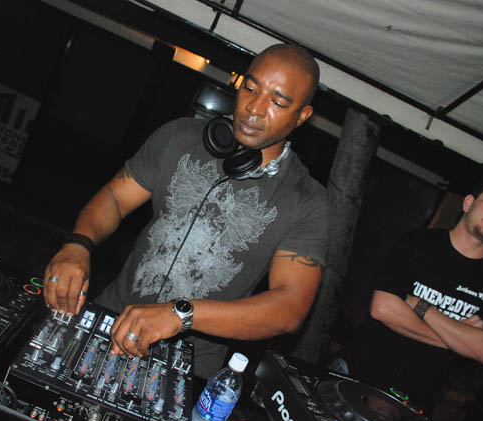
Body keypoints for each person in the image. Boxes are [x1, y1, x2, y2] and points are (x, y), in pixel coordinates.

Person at [43, 44, 330, 378]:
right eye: (250, 89)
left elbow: (290, 307)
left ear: (302, 116)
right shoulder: (178, 136)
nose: (254, 108)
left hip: (187, 365)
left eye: (277, 102)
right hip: (108, 317)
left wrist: (181, 314)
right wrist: (77, 245)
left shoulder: (306, 201)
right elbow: (115, 198)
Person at [334, 175, 483, 412]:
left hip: (416, 400)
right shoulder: (418, 243)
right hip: (357, 374)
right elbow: (382, 308)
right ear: (468, 203)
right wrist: (459, 339)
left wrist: (422, 307)